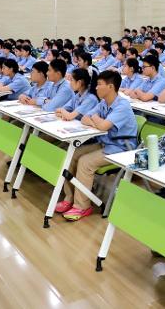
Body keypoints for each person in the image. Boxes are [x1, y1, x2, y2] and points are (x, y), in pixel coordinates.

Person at [58, 70, 137, 221]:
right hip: (106, 142)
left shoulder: (123, 105)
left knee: (85, 162)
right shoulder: (103, 103)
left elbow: (103, 126)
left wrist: (96, 120)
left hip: (121, 148)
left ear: (110, 87)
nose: (96, 87)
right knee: (73, 155)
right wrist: (97, 121)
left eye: (99, 84)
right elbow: (84, 119)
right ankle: (70, 197)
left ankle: (82, 206)